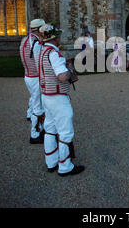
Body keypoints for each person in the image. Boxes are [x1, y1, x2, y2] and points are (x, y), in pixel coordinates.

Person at [38, 23, 85, 177]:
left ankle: (51, 162)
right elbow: (62, 77)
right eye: (57, 35)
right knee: (65, 132)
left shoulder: (42, 51)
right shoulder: (54, 54)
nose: (59, 38)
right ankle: (65, 166)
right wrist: (70, 69)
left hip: (46, 96)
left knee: (50, 129)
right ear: (54, 37)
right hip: (58, 97)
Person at [20, 18, 46, 144]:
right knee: (38, 106)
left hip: (28, 76)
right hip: (35, 77)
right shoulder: (35, 43)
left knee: (36, 102)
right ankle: (35, 134)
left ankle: (40, 127)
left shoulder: (25, 39)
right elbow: (39, 64)